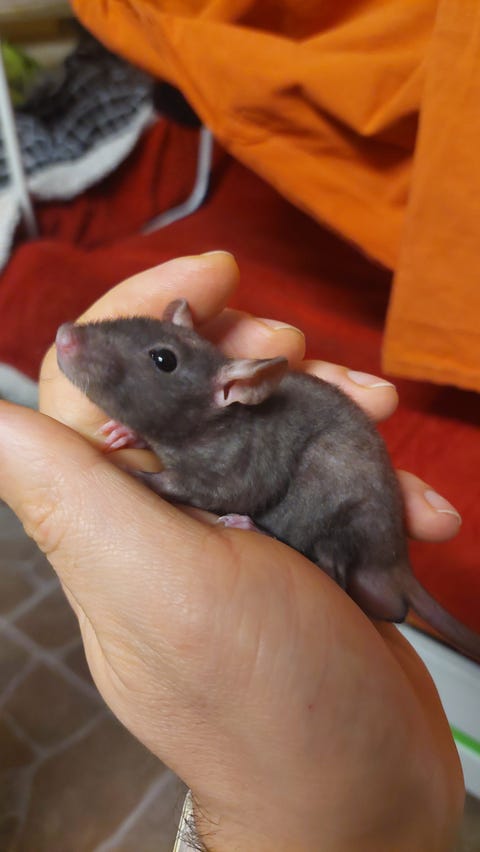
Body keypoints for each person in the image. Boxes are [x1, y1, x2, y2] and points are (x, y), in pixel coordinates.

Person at [0, 252, 464, 850]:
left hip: (336, 512)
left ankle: (318, 556)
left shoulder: (231, 433)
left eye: (162, 358)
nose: (73, 341)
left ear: (233, 390)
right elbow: (186, 436)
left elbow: (224, 486)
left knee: (314, 483)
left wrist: (152, 481)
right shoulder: (201, 417)